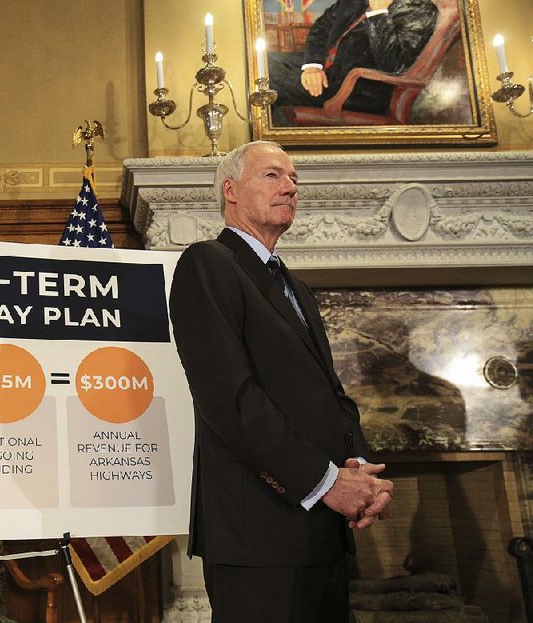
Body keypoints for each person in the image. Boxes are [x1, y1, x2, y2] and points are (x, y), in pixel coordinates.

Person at [169, 140, 394, 622]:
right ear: (230, 190)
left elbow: (327, 395)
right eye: (272, 175)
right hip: (258, 537)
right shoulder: (206, 263)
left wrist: (360, 469)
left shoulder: (295, 285)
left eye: (294, 179)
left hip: (320, 530)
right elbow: (231, 400)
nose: (290, 187)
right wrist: (327, 482)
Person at [269, 0, 438, 116]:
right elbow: (321, 26)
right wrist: (313, 66)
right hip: (327, 70)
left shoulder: (420, 11)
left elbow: (393, 66)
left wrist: (379, 13)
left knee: (269, 79)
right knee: (265, 62)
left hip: (356, 90)